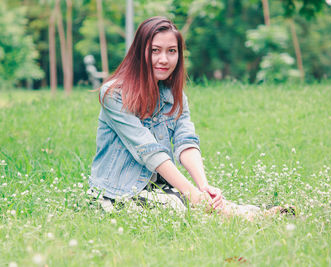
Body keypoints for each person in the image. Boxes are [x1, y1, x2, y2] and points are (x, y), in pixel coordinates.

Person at [88, 16, 291, 219]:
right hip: (116, 191)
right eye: (155, 50)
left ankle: (256, 215)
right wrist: (191, 193)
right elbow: (148, 150)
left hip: (154, 187)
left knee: (198, 203)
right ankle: (255, 217)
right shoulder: (113, 94)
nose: (164, 59)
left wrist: (203, 187)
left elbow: (186, 142)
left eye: (172, 51)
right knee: (181, 208)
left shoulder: (175, 97)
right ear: (140, 52)